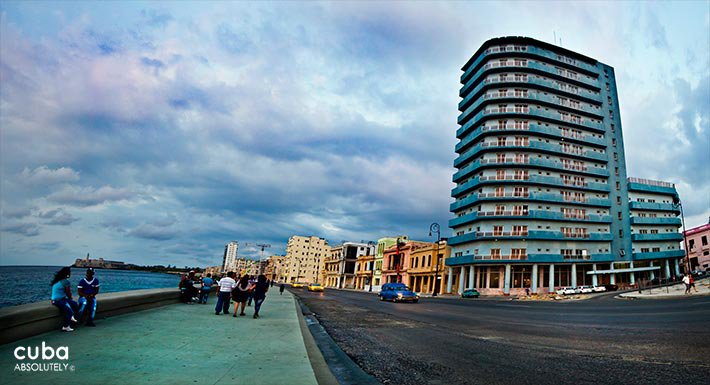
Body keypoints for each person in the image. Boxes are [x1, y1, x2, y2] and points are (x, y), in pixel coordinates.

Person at [51, 267, 79, 332]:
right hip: (58, 301)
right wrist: (70, 299)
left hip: (57, 300)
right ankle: (66, 326)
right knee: (69, 311)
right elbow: (68, 293)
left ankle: (73, 320)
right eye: (70, 272)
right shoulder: (66, 282)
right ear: (67, 274)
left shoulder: (58, 280)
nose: (70, 274)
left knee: (74, 304)